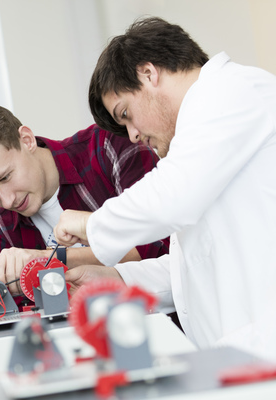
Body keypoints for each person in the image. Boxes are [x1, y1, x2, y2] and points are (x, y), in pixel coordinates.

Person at [53, 17, 276, 360]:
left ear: (148, 74)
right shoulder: (202, 135)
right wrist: (117, 279)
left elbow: (173, 197)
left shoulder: (235, 91)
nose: (133, 136)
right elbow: (195, 265)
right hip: (244, 358)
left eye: (126, 113)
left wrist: (90, 224)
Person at [0, 102, 169, 314]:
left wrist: (49, 259)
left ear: (27, 140)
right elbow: (29, 327)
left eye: (5, 177)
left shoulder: (108, 148)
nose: (6, 201)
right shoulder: (2, 231)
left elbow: (159, 246)